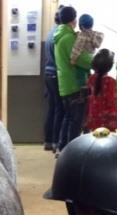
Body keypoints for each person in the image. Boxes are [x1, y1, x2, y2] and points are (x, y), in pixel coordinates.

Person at [54, 6, 93, 152]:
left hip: (64, 83)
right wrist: (94, 61)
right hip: (74, 83)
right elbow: (79, 59)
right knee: (75, 121)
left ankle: (62, 147)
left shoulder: (59, 35)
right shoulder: (69, 37)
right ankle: (72, 152)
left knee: (68, 117)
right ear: (73, 20)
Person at [44, 5, 65, 153]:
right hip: (57, 74)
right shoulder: (60, 35)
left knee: (52, 108)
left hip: (48, 73)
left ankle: (48, 140)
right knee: (60, 109)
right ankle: (57, 141)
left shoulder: (51, 32)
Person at [85, 49, 117, 132]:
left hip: (93, 115)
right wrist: (113, 117)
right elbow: (111, 101)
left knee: (95, 139)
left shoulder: (91, 78)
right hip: (107, 119)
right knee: (107, 141)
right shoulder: (110, 81)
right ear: (110, 66)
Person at [70, 14, 104, 91]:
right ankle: (90, 87)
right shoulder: (95, 35)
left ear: (81, 26)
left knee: (80, 76)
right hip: (91, 58)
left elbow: (77, 48)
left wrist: (73, 60)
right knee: (89, 75)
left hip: (83, 60)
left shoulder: (82, 35)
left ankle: (83, 89)